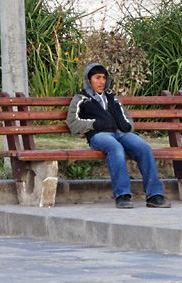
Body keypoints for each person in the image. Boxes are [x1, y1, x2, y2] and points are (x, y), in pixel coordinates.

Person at [66, 63, 171, 209]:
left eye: (104, 78)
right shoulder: (81, 99)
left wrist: (125, 125)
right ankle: (122, 195)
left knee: (144, 148)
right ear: (89, 80)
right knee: (116, 148)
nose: (102, 81)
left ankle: (154, 195)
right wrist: (95, 124)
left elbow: (128, 120)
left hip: (120, 133)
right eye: (97, 78)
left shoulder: (112, 99)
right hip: (99, 135)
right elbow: (73, 123)